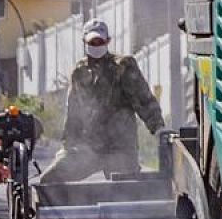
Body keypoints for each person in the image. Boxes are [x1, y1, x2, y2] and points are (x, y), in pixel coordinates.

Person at [38, 18, 166, 183]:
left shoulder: (123, 67)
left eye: (100, 41)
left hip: (120, 150)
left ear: (108, 41)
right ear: (85, 42)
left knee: (127, 195)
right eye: (92, 42)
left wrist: (158, 128)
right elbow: (73, 112)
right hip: (88, 150)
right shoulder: (79, 72)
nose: (96, 45)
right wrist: (68, 146)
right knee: (49, 181)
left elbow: (144, 100)